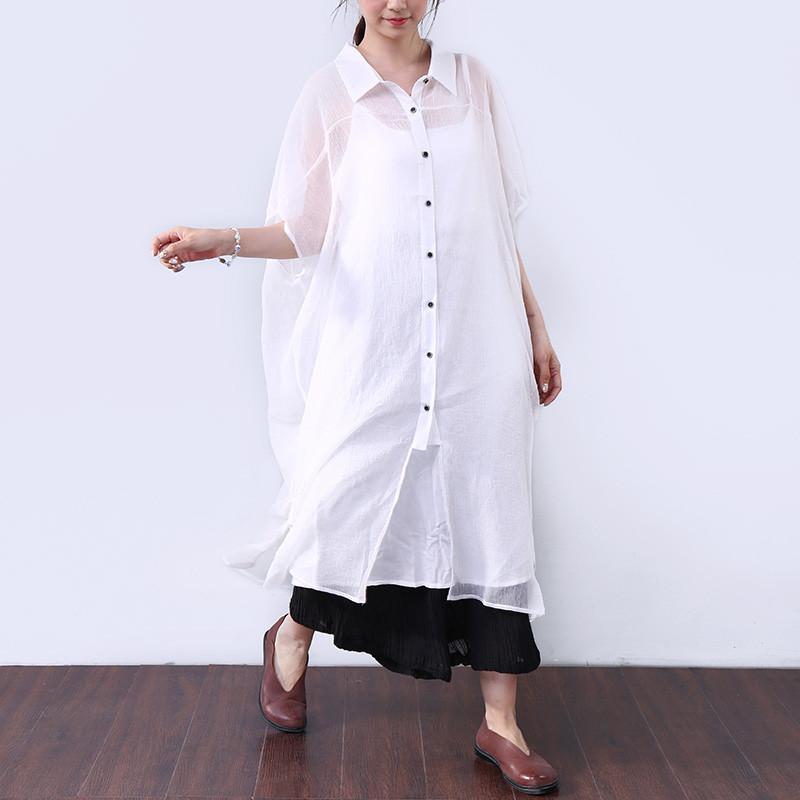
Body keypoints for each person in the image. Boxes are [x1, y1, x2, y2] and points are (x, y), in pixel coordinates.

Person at [151, 1, 562, 794]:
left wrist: (537, 328)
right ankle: (292, 634)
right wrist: (220, 241)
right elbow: (302, 230)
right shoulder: (330, 94)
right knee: (344, 501)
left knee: (491, 513)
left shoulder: (474, 85)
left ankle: (502, 723)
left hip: (479, 350)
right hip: (376, 352)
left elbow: (496, 228)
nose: (396, 1)